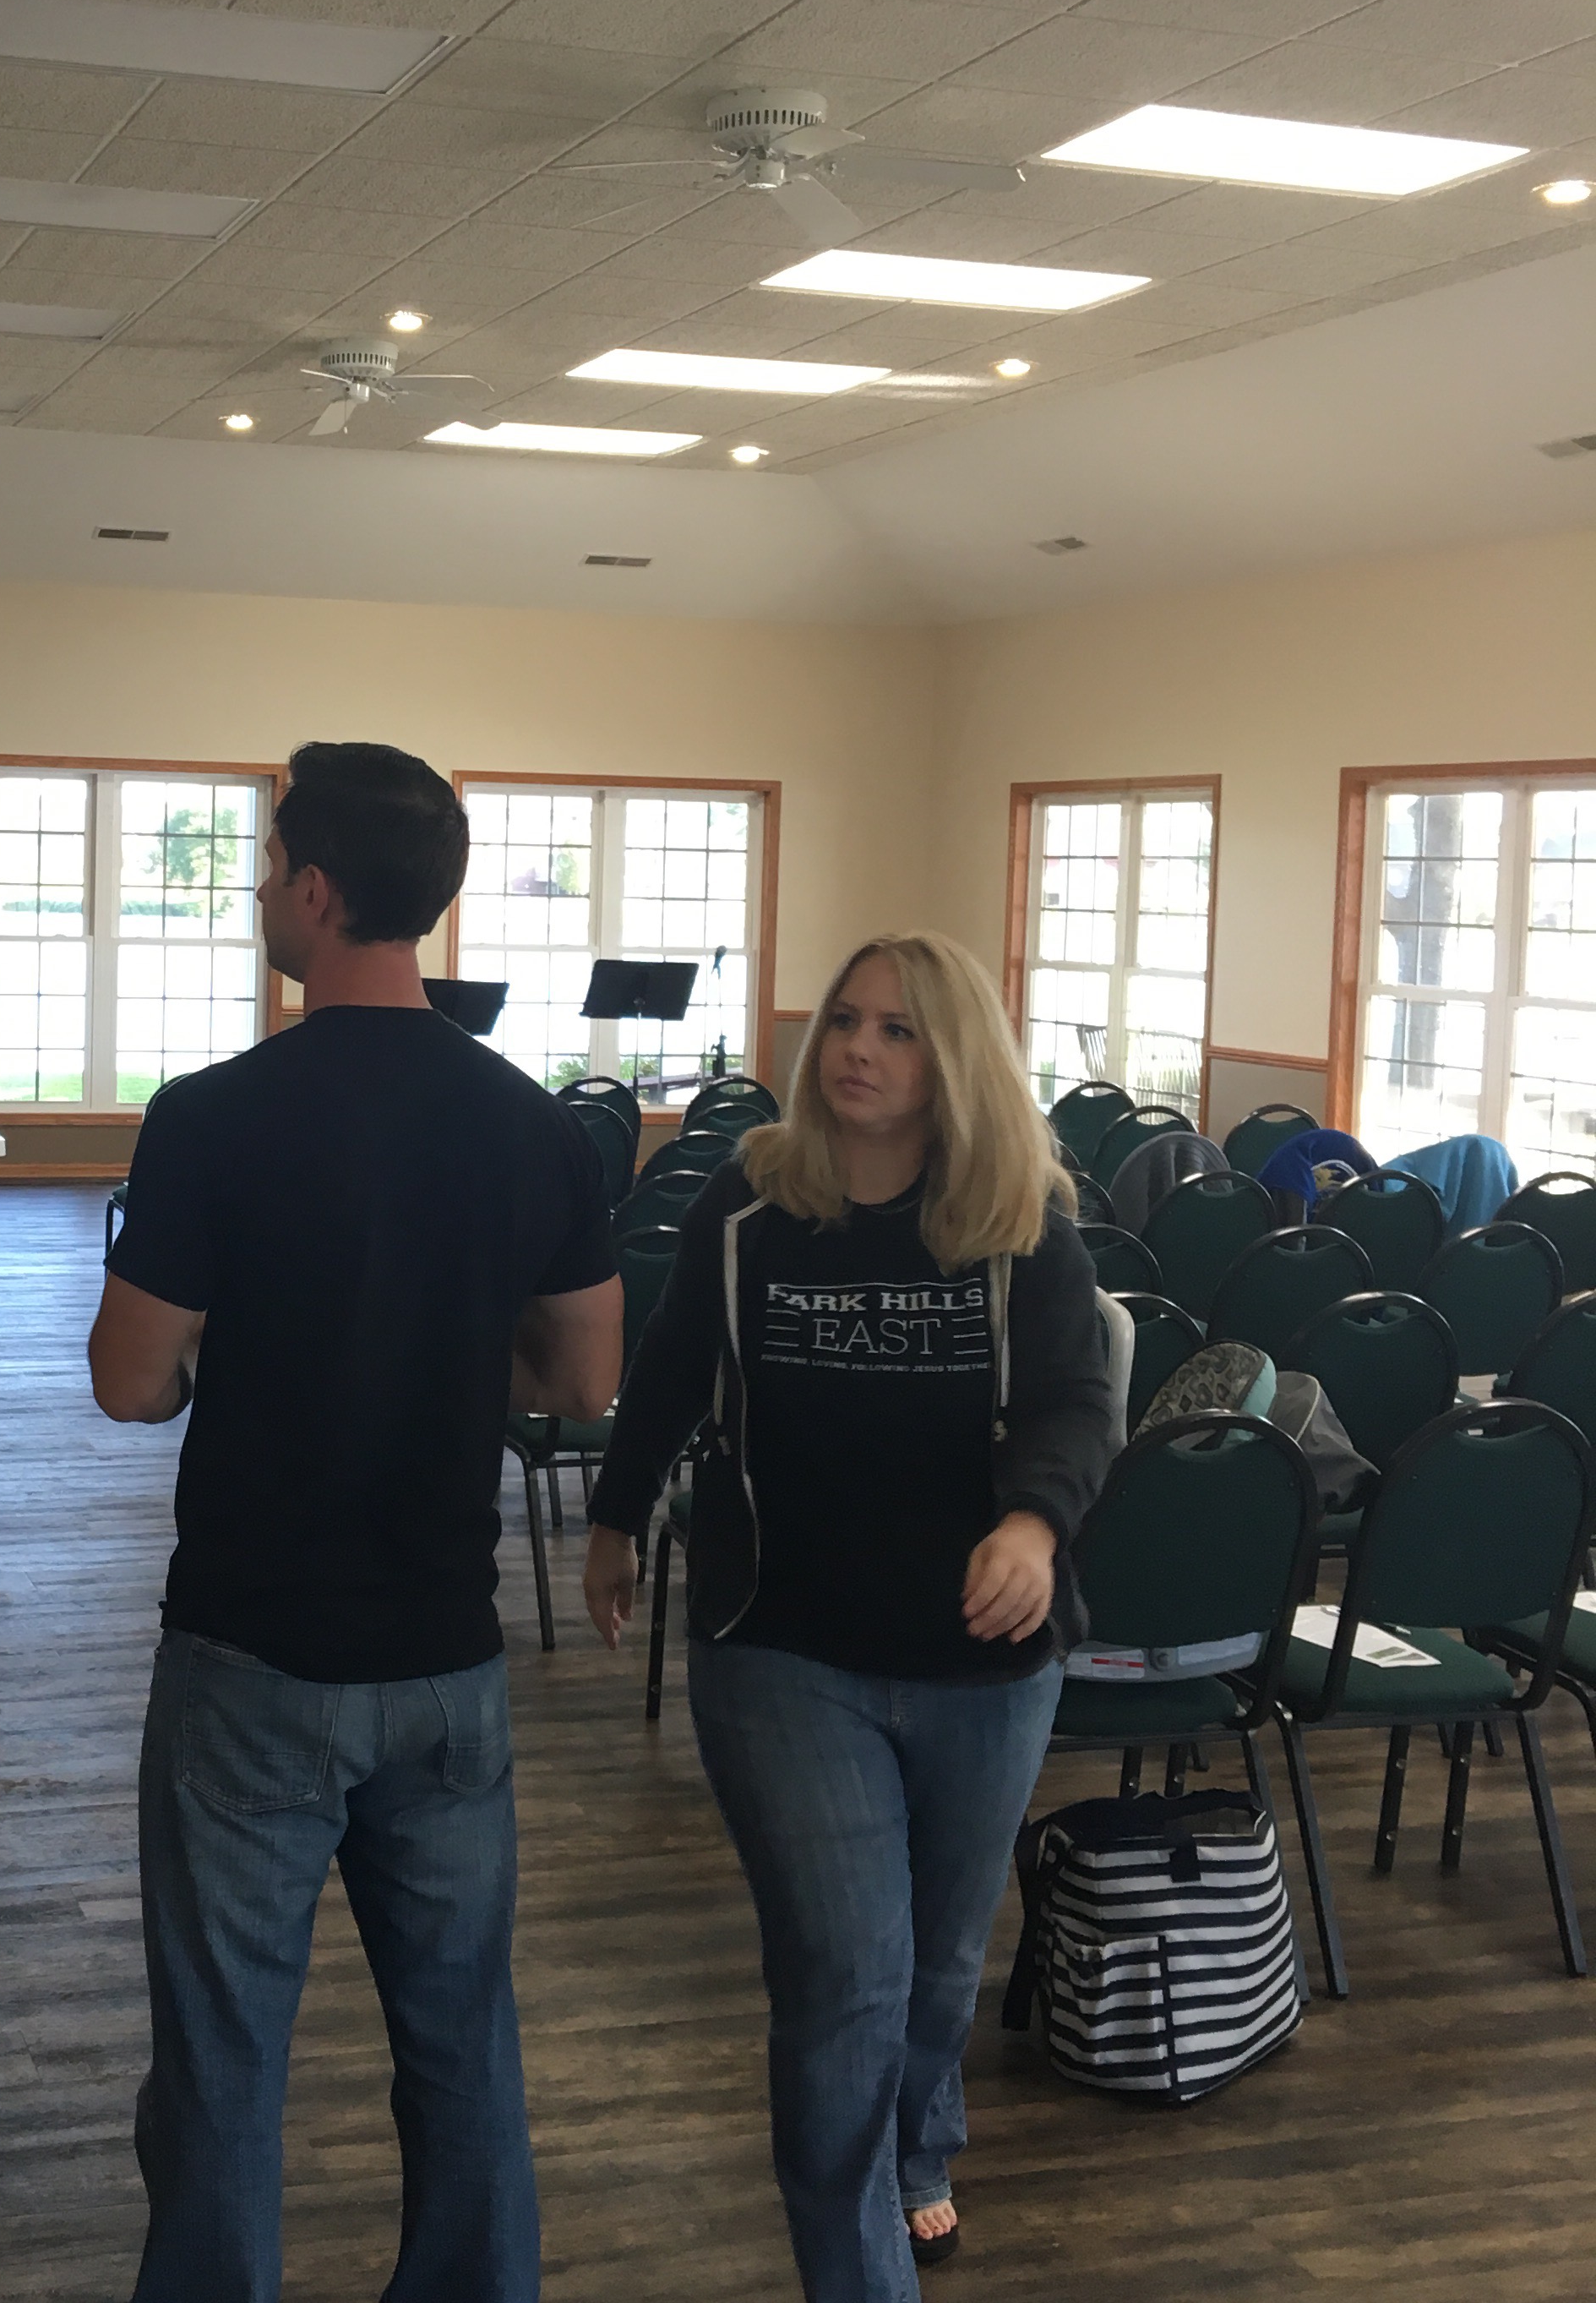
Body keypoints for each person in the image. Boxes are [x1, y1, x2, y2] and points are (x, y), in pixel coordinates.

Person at [89, 741, 622, 2303]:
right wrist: (449, 1341)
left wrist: (244, 1344)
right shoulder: (534, 1123)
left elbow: (128, 1380)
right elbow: (584, 1378)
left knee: (223, 2056)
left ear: (316, 893)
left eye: (269, 869)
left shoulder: (211, 1115)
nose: (262, 893)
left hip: (251, 1654)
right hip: (446, 1659)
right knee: (462, 2045)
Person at [582, 933, 1115, 2303]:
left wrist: (1033, 1521)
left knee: (935, 1966)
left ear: (956, 1060)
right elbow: (669, 1365)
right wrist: (615, 1516)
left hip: (981, 1659)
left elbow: (1074, 1400)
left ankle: (917, 2142)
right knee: (844, 1976)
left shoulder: (1018, 1226)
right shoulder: (747, 1205)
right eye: (844, 1021)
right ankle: (857, 2272)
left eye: (896, 1029)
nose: (856, 1050)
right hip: (782, 1643)